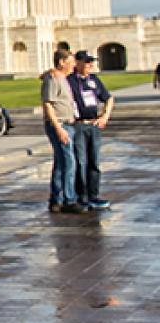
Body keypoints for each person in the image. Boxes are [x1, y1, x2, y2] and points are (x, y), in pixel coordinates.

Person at [68, 50, 114, 210]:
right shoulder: (70, 80)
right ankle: (82, 196)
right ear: (77, 63)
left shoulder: (93, 80)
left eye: (90, 62)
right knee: (81, 161)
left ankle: (94, 195)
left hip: (94, 124)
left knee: (94, 161)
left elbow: (108, 98)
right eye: (86, 62)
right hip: (79, 124)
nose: (90, 65)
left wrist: (104, 116)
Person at [42, 49, 84, 214]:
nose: (74, 65)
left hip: (67, 123)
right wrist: (58, 128)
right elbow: (48, 104)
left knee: (61, 162)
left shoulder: (61, 78)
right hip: (60, 124)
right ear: (61, 62)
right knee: (69, 162)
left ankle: (56, 199)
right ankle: (69, 199)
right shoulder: (53, 79)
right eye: (71, 62)